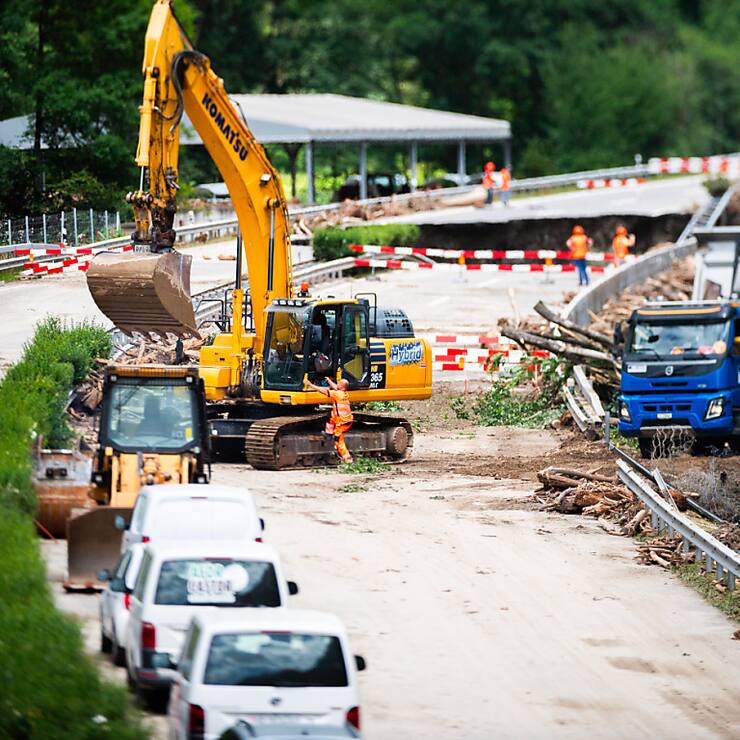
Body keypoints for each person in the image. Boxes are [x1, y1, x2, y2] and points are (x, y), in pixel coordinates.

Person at [304, 376, 354, 463]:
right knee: (330, 418)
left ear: (342, 387)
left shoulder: (338, 394)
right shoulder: (344, 393)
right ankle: (329, 433)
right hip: (341, 419)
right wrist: (329, 381)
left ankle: (347, 459)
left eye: (339, 383)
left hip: (342, 422)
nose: (337, 384)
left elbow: (324, 391)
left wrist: (310, 385)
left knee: (338, 440)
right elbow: (336, 387)